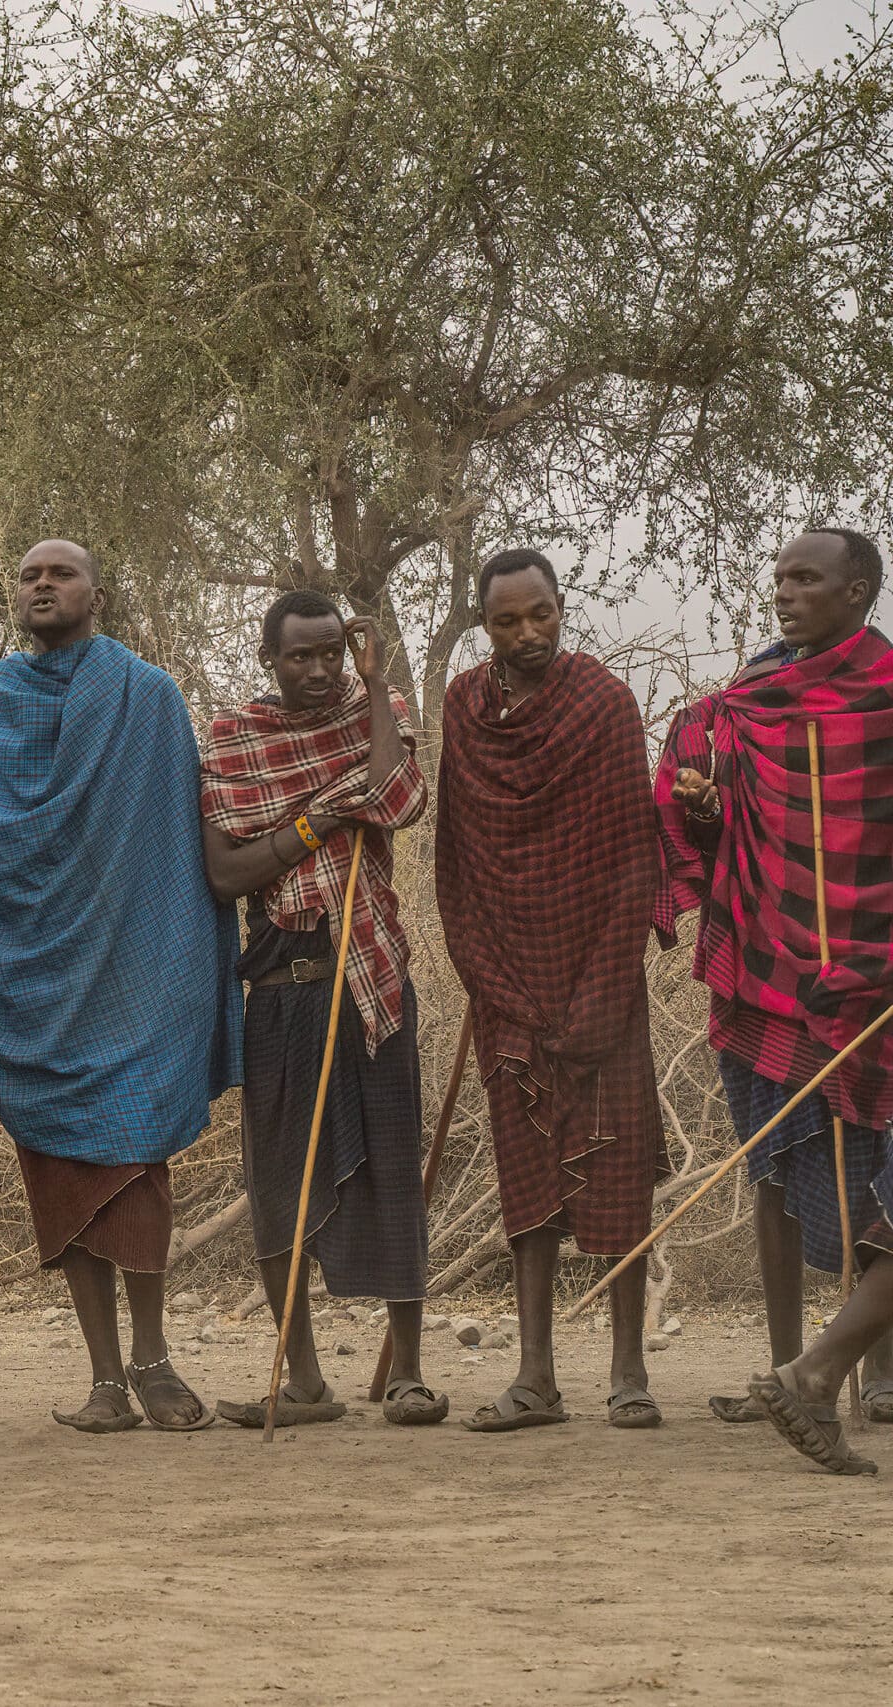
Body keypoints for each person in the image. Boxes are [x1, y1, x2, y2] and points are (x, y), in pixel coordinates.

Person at [0, 541, 239, 1434]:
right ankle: (105, 1378)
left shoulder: (149, 697)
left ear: (98, 595)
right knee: (64, 1169)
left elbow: (171, 846)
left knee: (134, 1160)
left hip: (134, 976)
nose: (42, 584)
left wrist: (180, 969)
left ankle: (154, 1362)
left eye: (60, 573)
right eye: (29, 574)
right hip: (30, 980)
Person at [658, 528, 893, 1470]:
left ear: (860, 591)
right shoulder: (747, 702)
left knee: (880, 1178)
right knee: (781, 1167)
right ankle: (797, 1370)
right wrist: (705, 808)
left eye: (807, 579)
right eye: (780, 578)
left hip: (876, 975)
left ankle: (853, 1375)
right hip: (778, 973)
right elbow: (704, 820)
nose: (785, 593)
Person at [200, 590, 444, 1428]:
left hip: (369, 976)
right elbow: (226, 874)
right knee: (279, 1182)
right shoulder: (235, 741)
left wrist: (375, 689)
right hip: (280, 988)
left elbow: (399, 798)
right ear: (269, 658)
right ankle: (303, 1378)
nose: (317, 669)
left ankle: (407, 1371)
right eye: (298, 655)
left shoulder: (372, 713)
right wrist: (312, 825)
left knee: (391, 1167)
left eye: (331, 653)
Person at [437, 552, 668, 1432]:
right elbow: (457, 851)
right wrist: (484, 974)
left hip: (597, 972)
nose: (528, 634)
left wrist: (604, 988)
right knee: (526, 1175)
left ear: (562, 610)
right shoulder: (464, 707)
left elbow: (629, 851)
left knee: (617, 1173)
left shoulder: (604, 704)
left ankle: (629, 1369)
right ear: (482, 623)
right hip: (506, 976)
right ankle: (535, 1375)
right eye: (507, 621)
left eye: (541, 616)